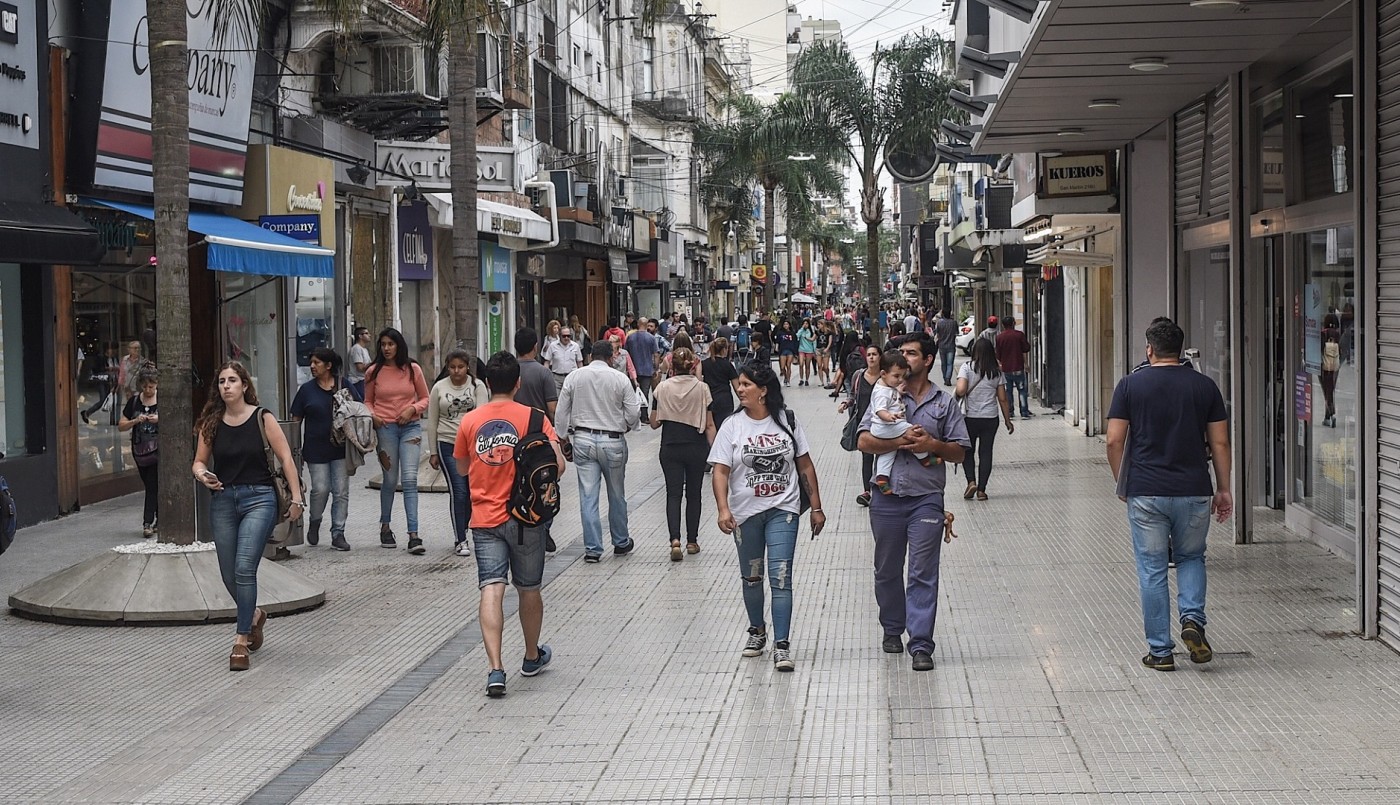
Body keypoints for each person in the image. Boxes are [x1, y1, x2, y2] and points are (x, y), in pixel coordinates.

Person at [1106, 319, 1232, 673]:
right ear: (1179, 349)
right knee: (1191, 558)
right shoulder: (1204, 386)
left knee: (1152, 568)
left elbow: (1114, 440)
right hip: (1193, 489)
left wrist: (1123, 483)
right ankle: (1192, 620)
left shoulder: (1130, 385)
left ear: (1149, 349)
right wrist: (1223, 489)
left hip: (1146, 490)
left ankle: (1160, 651)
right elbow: (1220, 442)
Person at [856, 333, 969, 671]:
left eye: (911, 353)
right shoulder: (885, 394)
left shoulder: (943, 403)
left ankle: (921, 644)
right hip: (886, 498)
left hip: (926, 499)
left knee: (923, 571)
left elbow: (960, 452)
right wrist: (898, 442)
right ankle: (892, 627)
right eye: (901, 353)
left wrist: (932, 445)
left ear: (928, 360)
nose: (904, 358)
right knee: (887, 569)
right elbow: (863, 441)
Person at [455, 352, 565, 697]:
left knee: (491, 587)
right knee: (529, 588)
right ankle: (531, 656)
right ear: (518, 383)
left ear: (488, 383)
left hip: (484, 519)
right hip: (526, 518)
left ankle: (495, 669)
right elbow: (559, 465)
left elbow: (461, 469)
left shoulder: (470, 421)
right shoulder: (534, 418)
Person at [709, 361, 825, 672]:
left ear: (763, 390)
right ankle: (757, 630)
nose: (739, 389)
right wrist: (723, 508)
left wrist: (816, 507)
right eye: (740, 383)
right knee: (752, 577)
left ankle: (782, 645)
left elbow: (804, 464)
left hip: (783, 510)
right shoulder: (732, 426)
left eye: (746, 384)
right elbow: (720, 470)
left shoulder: (786, 421)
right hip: (745, 515)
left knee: (781, 577)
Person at [193, 362, 304, 671]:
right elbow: (199, 461)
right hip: (223, 500)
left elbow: (286, 458)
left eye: (232, 380)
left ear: (244, 385)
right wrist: (202, 475)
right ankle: (254, 615)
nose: (226, 386)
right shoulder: (212, 423)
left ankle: (241, 639)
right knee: (228, 574)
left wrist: (297, 498)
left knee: (244, 567)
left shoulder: (262, 417)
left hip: (260, 498)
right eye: (222, 382)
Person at [557, 341, 641, 562]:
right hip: (612, 440)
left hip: (583, 439)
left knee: (588, 496)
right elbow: (633, 413)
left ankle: (593, 548)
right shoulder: (619, 378)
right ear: (611, 357)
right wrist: (625, 425)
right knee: (616, 494)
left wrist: (563, 438)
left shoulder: (574, 377)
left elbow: (561, 412)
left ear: (590, 356)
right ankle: (620, 541)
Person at [364, 328, 430, 554]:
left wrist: (412, 409)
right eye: (383, 344)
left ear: (399, 345)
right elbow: (367, 401)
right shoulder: (373, 371)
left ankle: (414, 535)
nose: (386, 348)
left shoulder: (413, 369)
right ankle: (385, 526)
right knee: (390, 479)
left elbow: (425, 398)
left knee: (410, 479)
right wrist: (372, 415)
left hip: (411, 427)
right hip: (386, 429)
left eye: (391, 344)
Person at [290, 347, 360, 552]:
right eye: (311, 362)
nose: (312, 366)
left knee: (341, 491)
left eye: (316, 363)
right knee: (320, 489)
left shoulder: (344, 385)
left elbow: (359, 409)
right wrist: (294, 450)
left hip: (341, 449)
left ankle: (338, 533)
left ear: (328, 366)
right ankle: (315, 520)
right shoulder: (306, 390)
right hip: (315, 449)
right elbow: (296, 420)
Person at [651, 348, 716, 560]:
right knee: (694, 494)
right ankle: (692, 541)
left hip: (670, 446)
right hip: (696, 446)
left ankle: (675, 540)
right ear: (693, 365)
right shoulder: (702, 389)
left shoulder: (661, 388)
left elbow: (654, 423)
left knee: (673, 494)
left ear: (671, 366)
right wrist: (717, 453)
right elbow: (709, 424)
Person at [426, 349, 490, 557]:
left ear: (467, 367)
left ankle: (465, 525)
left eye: (460, 367)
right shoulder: (439, 388)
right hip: (447, 443)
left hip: (472, 446)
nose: (456, 371)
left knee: (471, 492)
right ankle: (460, 538)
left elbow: (483, 416)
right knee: (458, 491)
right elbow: (432, 421)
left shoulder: (478, 386)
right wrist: (433, 451)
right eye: (452, 367)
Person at [514, 328, 560, 555]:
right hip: (539, 438)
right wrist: (558, 436)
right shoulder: (543, 373)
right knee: (545, 483)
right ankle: (543, 526)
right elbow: (552, 409)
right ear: (535, 346)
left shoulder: (510, 371)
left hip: (514, 436)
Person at [955, 338, 1015, 502]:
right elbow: (1002, 398)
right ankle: (982, 490)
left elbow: (961, 390)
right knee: (986, 452)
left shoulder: (966, 367)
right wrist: (1007, 420)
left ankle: (971, 482)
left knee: (968, 451)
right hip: (990, 418)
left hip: (969, 418)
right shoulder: (996, 371)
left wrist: (960, 385)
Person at [868, 352, 934, 494]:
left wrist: (897, 390)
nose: (900, 380)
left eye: (902, 376)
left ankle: (882, 477)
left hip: (883, 428)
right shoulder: (881, 392)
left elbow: (890, 394)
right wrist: (889, 416)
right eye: (896, 376)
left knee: (888, 452)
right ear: (883, 374)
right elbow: (880, 410)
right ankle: (924, 458)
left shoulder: (886, 387)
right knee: (913, 432)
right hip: (886, 426)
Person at [118, 368, 160, 537]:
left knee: (152, 485)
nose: (148, 390)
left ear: (157, 385)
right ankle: (159, 518)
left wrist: (159, 419)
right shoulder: (134, 402)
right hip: (140, 450)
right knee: (150, 484)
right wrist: (135, 420)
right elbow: (121, 425)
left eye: (151, 387)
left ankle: (147, 522)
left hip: (158, 450)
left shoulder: (162, 401)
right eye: (145, 387)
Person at [839, 343, 883, 506]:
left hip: (882, 424)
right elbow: (852, 395)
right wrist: (846, 403)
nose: (871, 357)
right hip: (863, 424)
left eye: (874, 354)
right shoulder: (858, 375)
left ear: (880, 357)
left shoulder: (885, 376)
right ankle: (867, 491)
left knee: (883, 457)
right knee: (867, 457)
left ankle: (881, 488)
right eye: (869, 354)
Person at [995, 316, 1034, 418]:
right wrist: (1026, 364)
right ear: (1014, 323)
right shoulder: (1019, 335)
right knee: (1022, 390)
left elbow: (998, 354)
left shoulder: (999, 337)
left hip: (1006, 369)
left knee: (1008, 391)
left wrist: (1000, 365)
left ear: (1003, 325)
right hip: (1018, 367)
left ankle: (1010, 412)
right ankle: (1024, 412)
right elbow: (1026, 348)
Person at [702, 337, 739, 424]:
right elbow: (737, 387)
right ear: (724, 350)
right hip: (724, 400)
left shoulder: (704, 364)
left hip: (709, 398)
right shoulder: (727, 365)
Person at [625, 316, 659, 404]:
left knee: (633, 394)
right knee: (644, 394)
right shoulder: (651, 338)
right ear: (647, 325)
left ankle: (635, 411)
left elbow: (626, 353)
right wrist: (656, 368)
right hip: (647, 370)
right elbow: (656, 355)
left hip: (633, 370)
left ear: (638, 324)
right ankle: (644, 412)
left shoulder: (630, 337)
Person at [543, 327, 584, 391]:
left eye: (568, 336)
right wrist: (546, 375)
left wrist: (581, 376)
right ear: (560, 336)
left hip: (571, 377)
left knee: (571, 397)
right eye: (564, 336)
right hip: (557, 378)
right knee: (556, 396)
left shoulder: (575, 346)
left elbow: (579, 362)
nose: (566, 338)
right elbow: (547, 361)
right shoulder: (553, 346)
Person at [1321, 313, 1342, 428]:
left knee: (1326, 391)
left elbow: (1320, 349)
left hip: (1324, 366)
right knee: (1330, 389)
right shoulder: (1337, 334)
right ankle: (1327, 416)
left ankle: (1331, 414)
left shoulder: (1323, 333)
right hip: (1334, 365)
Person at [933, 309, 959, 386]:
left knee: (943, 363)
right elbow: (957, 333)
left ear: (943, 314)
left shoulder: (939, 323)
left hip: (942, 345)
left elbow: (937, 334)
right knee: (950, 363)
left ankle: (945, 377)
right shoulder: (954, 323)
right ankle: (948, 378)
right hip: (951, 345)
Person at [347, 326, 372, 399]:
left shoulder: (364, 350)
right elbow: (360, 368)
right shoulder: (357, 348)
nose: (369, 335)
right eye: (366, 333)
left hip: (364, 381)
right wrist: (374, 363)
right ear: (360, 336)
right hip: (357, 381)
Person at [775, 319, 798, 386]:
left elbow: (795, 342)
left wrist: (796, 352)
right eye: (784, 324)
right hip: (782, 350)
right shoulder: (780, 333)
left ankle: (788, 380)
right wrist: (776, 348)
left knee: (788, 365)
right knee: (782, 367)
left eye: (787, 324)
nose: (786, 325)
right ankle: (785, 376)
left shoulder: (792, 333)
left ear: (789, 325)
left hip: (790, 350)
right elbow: (777, 341)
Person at [796, 319, 817, 386]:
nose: (805, 325)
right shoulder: (801, 331)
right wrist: (802, 328)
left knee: (807, 365)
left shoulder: (811, 331)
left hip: (809, 350)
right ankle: (801, 379)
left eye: (806, 323)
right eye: (804, 323)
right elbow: (797, 336)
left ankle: (807, 380)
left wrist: (814, 351)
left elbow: (814, 341)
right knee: (801, 364)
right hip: (801, 349)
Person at [815, 321, 834, 388]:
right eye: (818, 324)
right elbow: (813, 338)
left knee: (825, 367)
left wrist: (827, 348)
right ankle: (821, 381)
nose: (818, 326)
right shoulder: (817, 332)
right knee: (819, 365)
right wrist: (806, 338)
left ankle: (827, 376)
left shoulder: (829, 332)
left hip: (825, 349)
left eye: (819, 324)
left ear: (823, 325)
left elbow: (830, 342)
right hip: (818, 349)